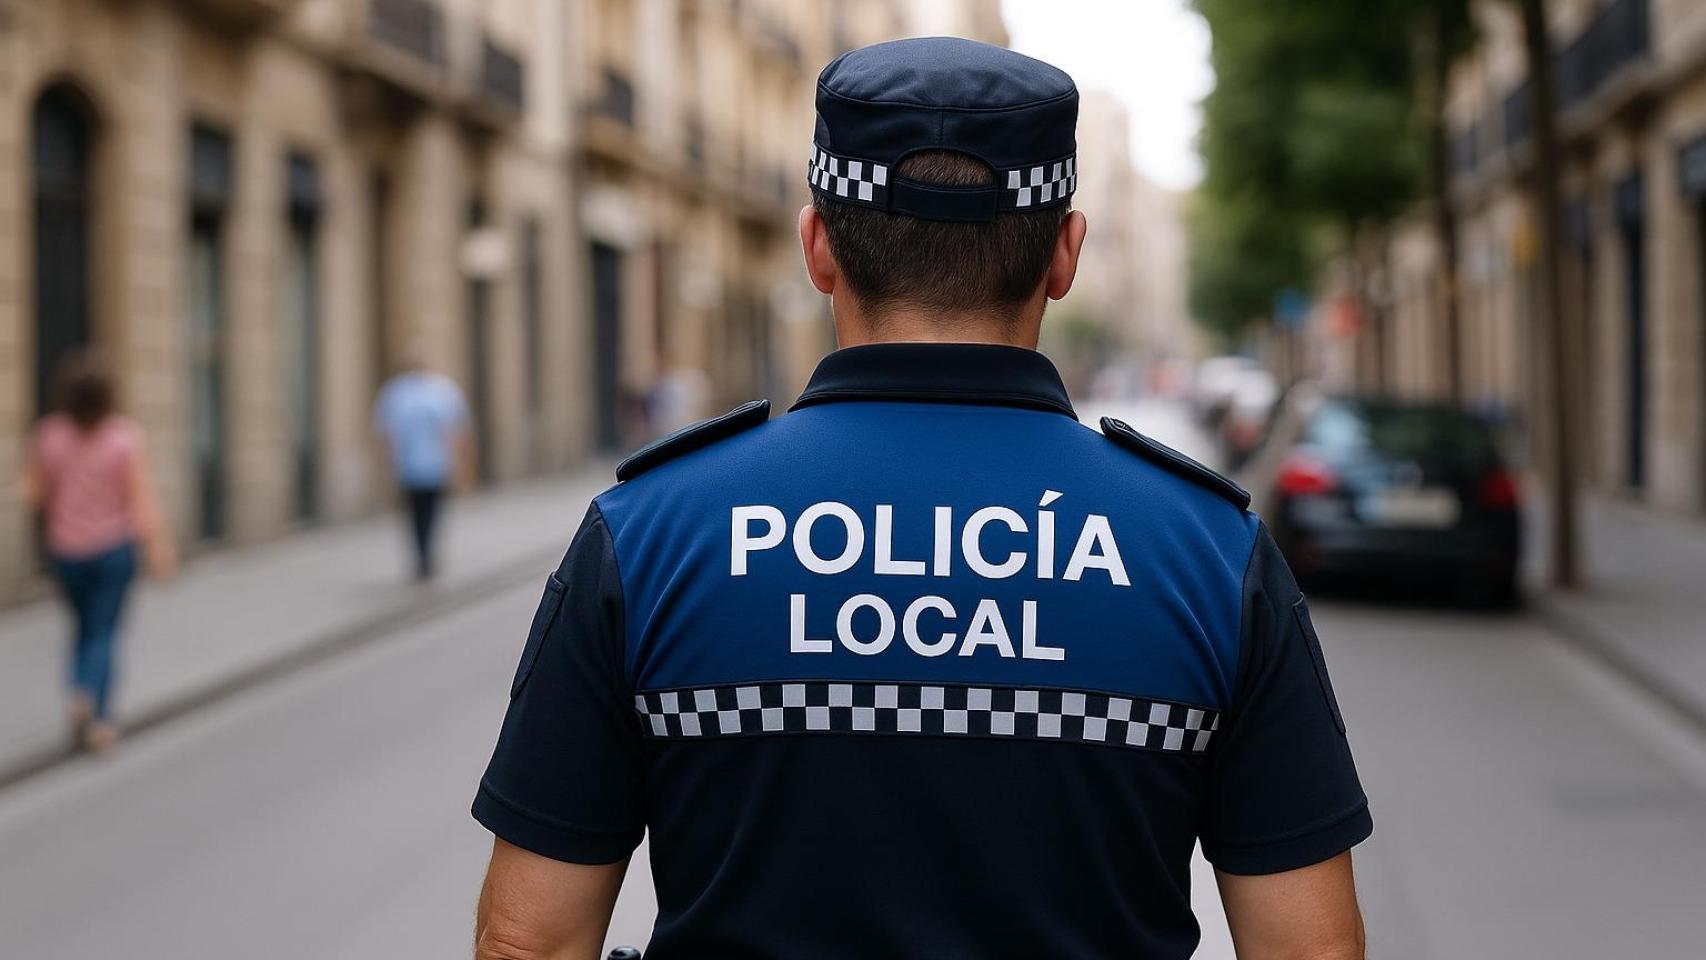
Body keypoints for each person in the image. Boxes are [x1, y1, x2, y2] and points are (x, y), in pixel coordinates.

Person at [472, 38, 1371, 960]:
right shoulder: (1208, 555)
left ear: (818, 244)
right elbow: (1310, 951)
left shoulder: (649, 537)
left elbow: (527, 944)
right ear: (1064, 254)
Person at [23, 350, 176, 752]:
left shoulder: (50, 435)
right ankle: (101, 718)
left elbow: (36, 494)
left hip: (66, 551)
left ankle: (79, 692)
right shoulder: (123, 438)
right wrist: (158, 547)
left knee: (81, 629)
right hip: (112, 550)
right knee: (104, 632)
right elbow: (142, 500)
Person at [373, 348, 475, 581]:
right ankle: (426, 555)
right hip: (435, 465)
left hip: (410, 467)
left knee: (415, 514)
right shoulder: (442, 391)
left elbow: (386, 435)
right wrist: (463, 465)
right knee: (431, 512)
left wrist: (387, 467)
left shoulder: (396, 392)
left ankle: (422, 555)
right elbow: (458, 431)